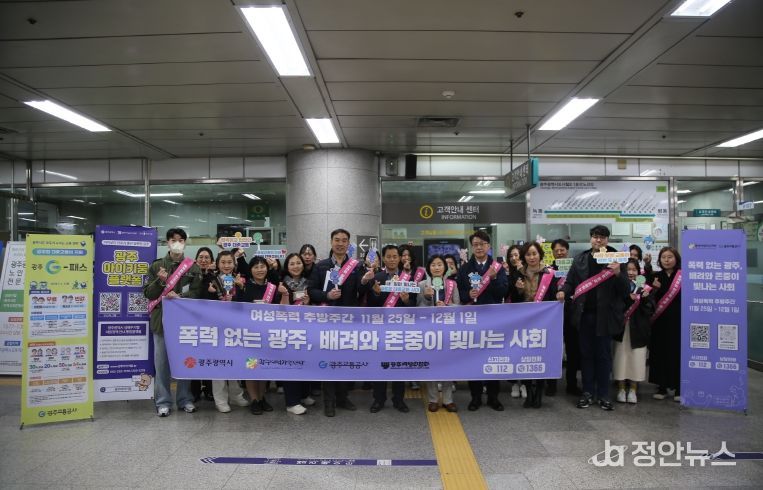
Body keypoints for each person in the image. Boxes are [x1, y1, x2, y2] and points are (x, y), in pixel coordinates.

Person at [558, 225, 629, 411]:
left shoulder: (617, 259)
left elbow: (626, 291)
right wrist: (563, 291)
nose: (599, 240)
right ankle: (588, 392)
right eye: (596, 236)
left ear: (607, 240)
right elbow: (570, 282)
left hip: (606, 317)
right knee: (586, 355)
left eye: (602, 237)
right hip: (584, 316)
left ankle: (604, 394)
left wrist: (618, 274)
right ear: (591, 238)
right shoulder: (580, 259)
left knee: (604, 356)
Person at [308, 228, 368, 417]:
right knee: (329, 361)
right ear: (331, 242)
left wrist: (365, 281)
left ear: (348, 244)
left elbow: (361, 292)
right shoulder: (321, 266)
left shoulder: (356, 266)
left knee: (345, 361)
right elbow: (311, 290)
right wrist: (327, 295)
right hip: (327, 321)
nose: (340, 243)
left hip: (348, 321)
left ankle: (343, 397)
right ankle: (329, 401)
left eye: (344, 240)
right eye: (337, 240)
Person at [143, 228, 203, 417]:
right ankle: (163, 402)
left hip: (185, 323)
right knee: (161, 364)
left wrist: (181, 296)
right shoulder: (157, 266)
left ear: (185, 243)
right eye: (173, 240)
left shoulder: (193, 267)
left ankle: (185, 399)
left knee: (185, 361)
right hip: (161, 321)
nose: (177, 243)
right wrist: (160, 281)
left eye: (181, 240)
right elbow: (148, 294)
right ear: (167, 242)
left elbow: (197, 293)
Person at [457, 230, 508, 411]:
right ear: (472, 247)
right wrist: (467, 294)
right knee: (474, 359)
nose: (479, 247)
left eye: (482, 244)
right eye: (475, 244)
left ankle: (494, 397)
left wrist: (493, 279)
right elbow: (459, 293)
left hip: (493, 318)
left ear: (488, 246)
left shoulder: (497, 268)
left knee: (493, 358)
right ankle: (476, 397)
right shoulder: (465, 269)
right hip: (472, 320)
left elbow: (503, 291)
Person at [365, 245, 414, 413]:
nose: (392, 259)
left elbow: (414, 305)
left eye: (395, 256)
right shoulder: (376, 277)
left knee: (398, 366)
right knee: (380, 365)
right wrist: (377, 294)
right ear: (383, 259)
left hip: (401, 329)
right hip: (381, 329)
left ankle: (399, 399)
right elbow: (370, 305)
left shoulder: (407, 278)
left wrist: (406, 300)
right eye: (388, 256)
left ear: (400, 258)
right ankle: (378, 399)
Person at [510, 242, 559, 408]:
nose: (531, 257)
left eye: (534, 253)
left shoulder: (549, 273)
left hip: (544, 321)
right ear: (524, 257)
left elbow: (554, 297)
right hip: (524, 321)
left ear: (540, 255)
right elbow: (513, 300)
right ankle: (528, 392)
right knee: (524, 357)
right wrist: (517, 290)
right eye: (528, 254)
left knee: (540, 357)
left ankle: (538, 392)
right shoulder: (517, 274)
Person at [234, 256, 283, 415]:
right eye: (256, 267)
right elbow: (237, 307)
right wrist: (239, 289)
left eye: (262, 266)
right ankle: (254, 399)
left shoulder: (272, 287)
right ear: (251, 270)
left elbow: (279, 309)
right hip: (250, 335)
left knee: (264, 368)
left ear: (267, 269)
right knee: (252, 367)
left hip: (268, 335)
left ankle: (262, 398)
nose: (260, 269)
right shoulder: (244, 286)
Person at [205, 251, 249, 413]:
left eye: (229, 262)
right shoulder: (210, 279)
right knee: (218, 363)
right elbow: (201, 302)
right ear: (217, 264)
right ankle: (220, 399)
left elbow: (247, 303)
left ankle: (236, 395)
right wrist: (209, 293)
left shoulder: (240, 279)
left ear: (234, 263)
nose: (226, 265)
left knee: (235, 361)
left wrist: (241, 289)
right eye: (223, 262)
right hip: (216, 327)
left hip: (235, 327)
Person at [418, 254, 460, 412]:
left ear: (445, 268)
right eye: (433, 265)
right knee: (432, 364)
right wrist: (426, 298)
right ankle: (433, 399)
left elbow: (459, 306)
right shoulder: (422, 285)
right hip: (429, 330)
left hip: (447, 330)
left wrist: (447, 307)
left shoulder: (452, 284)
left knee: (448, 364)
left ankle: (448, 399)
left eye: (440, 264)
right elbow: (417, 309)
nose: (436, 267)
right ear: (428, 268)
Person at [278, 253, 316, 415]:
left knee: (305, 362)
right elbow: (280, 310)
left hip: (305, 329)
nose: (295, 266)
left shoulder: (309, 283)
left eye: (298, 263)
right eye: (292, 263)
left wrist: (307, 303)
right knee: (291, 364)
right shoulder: (281, 284)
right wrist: (285, 295)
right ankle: (292, 402)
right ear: (287, 266)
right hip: (287, 330)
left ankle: (304, 394)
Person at [613, 259, 654, 404]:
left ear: (638, 272)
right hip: (621, 329)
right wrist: (627, 298)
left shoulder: (644, 288)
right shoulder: (618, 286)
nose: (631, 272)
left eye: (634, 270)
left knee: (637, 359)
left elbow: (651, 309)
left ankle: (633, 390)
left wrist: (645, 299)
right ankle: (621, 389)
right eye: (628, 269)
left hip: (639, 330)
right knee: (620, 359)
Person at [648, 246, 682, 402]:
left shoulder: (683, 276)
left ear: (676, 258)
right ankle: (661, 387)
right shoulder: (655, 276)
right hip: (659, 322)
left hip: (678, 321)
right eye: (663, 257)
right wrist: (654, 290)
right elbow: (647, 299)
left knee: (677, 353)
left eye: (670, 257)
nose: (667, 260)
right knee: (660, 353)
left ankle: (679, 387)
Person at [551, 238, 581, 396]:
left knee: (573, 350)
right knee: (553, 349)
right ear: (552, 253)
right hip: (553, 314)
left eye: (562, 250)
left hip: (571, 313)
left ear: (567, 251)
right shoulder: (549, 270)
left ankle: (572, 383)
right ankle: (551, 384)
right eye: (556, 250)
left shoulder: (575, 269)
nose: (560, 253)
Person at [191, 247, 216, 402]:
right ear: (196, 259)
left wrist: (208, 276)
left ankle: (208, 389)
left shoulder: (214, 277)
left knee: (208, 357)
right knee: (194, 357)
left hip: (210, 323)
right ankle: (194, 390)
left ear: (212, 261)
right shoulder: (189, 274)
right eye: (201, 257)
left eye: (207, 257)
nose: (204, 260)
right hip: (192, 323)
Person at [504, 244, 527, 399]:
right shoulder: (507, 273)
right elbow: (505, 293)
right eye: (511, 256)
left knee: (524, 349)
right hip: (511, 315)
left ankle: (525, 383)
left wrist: (522, 272)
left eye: (516, 255)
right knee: (512, 349)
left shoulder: (528, 271)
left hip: (527, 317)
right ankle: (514, 383)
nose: (514, 258)